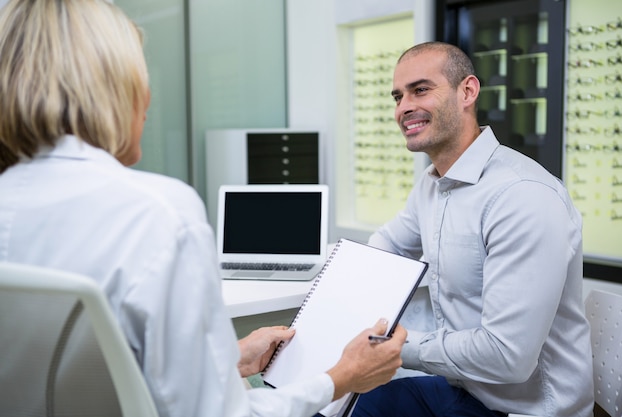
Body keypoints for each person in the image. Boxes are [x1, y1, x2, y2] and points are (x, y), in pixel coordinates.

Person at [0, 1, 407, 416]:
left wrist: (229, 356)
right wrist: (340, 378)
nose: (150, 100)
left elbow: (89, 374)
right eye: (141, 78)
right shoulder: (157, 214)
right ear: (115, 92)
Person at [350, 42, 594, 416]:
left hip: (523, 409)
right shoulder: (433, 184)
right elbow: (388, 245)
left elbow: (506, 356)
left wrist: (393, 346)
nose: (404, 108)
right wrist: (338, 297)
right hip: (464, 389)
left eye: (420, 90)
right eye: (398, 96)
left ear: (467, 91)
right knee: (343, 403)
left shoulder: (522, 196)